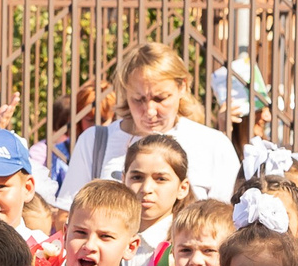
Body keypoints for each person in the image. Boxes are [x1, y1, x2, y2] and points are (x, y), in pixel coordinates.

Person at [57, 44, 240, 207]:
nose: (150, 110)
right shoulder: (95, 141)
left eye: (160, 98)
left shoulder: (214, 144)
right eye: (138, 99)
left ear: (182, 87)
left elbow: (227, 222)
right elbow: (67, 215)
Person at [122, 134, 190, 265]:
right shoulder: (110, 236)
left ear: (182, 188)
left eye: (161, 179)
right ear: (123, 180)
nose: (146, 188)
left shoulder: (189, 243)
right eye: (137, 177)